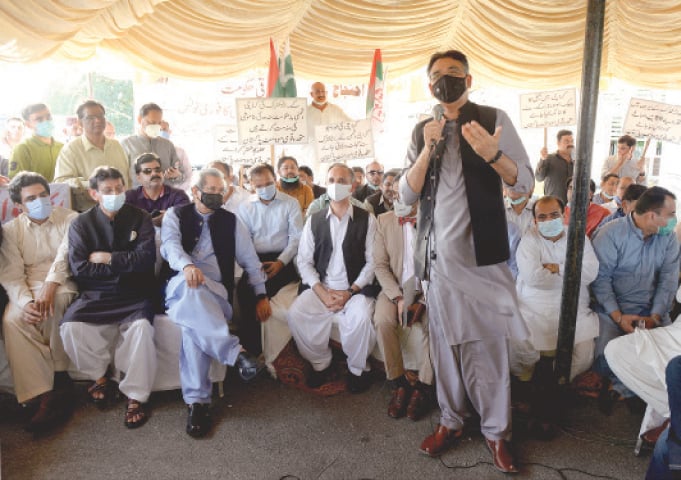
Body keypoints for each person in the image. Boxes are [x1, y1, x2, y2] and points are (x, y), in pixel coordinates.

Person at [401, 50, 533, 473]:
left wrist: (495, 155)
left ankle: (497, 434)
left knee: (489, 349)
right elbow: (405, 196)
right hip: (438, 264)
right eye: (438, 76)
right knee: (445, 349)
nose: (446, 81)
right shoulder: (422, 129)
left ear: (469, 79)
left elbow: (523, 185)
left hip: (483, 261)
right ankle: (451, 422)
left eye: (454, 74)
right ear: (429, 86)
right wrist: (428, 148)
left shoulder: (494, 118)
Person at [161, 168, 269, 438]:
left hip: (217, 292)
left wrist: (261, 294)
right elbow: (170, 247)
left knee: (191, 327)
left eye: (221, 191)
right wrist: (186, 266)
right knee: (191, 291)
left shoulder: (231, 221)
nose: (218, 196)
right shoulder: (175, 215)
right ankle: (236, 354)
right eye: (211, 191)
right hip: (180, 285)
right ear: (195, 191)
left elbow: (250, 261)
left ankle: (197, 404)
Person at [60, 166, 157, 429]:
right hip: (96, 293)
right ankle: (100, 378)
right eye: (107, 191)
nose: (114, 194)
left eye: (118, 189)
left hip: (135, 291)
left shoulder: (141, 217)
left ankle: (136, 395)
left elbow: (146, 260)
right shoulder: (80, 223)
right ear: (94, 194)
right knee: (70, 327)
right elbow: (80, 267)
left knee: (141, 330)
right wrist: (125, 263)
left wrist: (107, 258)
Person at [511, 196, 599, 435]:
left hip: (572, 302)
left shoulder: (579, 237)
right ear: (535, 221)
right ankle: (526, 385)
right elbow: (533, 278)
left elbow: (590, 272)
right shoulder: (529, 240)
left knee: (583, 352)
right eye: (542, 217)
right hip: (533, 302)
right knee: (521, 343)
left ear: (564, 215)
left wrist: (555, 267)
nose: (549, 220)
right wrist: (570, 270)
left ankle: (559, 388)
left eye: (554, 215)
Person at [287, 163, 377, 393]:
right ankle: (321, 363)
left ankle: (358, 370)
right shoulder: (315, 220)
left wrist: (350, 292)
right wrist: (321, 292)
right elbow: (304, 261)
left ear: (353, 185)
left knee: (362, 318)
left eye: (341, 181)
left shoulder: (367, 220)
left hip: (355, 289)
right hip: (322, 288)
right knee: (297, 313)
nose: (335, 185)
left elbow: (372, 262)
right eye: (331, 180)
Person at [591, 186, 680, 414]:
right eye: (671, 214)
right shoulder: (610, 234)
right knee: (606, 353)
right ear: (652, 215)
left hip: (652, 311)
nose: (674, 220)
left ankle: (622, 388)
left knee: (672, 357)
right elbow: (601, 281)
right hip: (612, 311)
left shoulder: (668, 238)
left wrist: (655, 316)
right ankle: (632, 389)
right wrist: (618, 316)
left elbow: (668, 281)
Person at [0, 172, 78, 432]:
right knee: (12, 320)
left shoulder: (70, 218)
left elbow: (66, 256)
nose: (39, 201)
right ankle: (40, 392)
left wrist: (50, 286)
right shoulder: (11, 230)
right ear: (19, 206)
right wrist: (24, 303)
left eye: (43, 195)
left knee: (53, 304)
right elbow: (11, 273)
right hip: (27, 284)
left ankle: (57, 379)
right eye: (31, 198)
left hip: (63, 280)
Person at [374, 176, 433, 420]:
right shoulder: (384, 220)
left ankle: (424, 387)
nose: (401, 199)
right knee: (383, 321)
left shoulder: (434, 222)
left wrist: (424, 300)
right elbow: (379, 265)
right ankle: (398, 381)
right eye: (398, 194)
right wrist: (398, 298)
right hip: (395, 288)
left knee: (436, 325)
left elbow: (442, 266)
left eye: (408, 195)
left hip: (429, 290)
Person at [236, 163, 302, 357]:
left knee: (270, 287)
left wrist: (281, 262)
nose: (265, 189)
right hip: (255, 259)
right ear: (251, 186)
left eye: (269, 183)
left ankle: (272, 350)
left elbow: (296, 238)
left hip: (284, 259)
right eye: (259, 186)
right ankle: (252, 351)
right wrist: (255, 270)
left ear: (276, 180)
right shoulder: (245, 207)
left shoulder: (290, 203)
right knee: (244, 292)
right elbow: (244, 242)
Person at [53, 101, 131, 212]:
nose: (98, 120)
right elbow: (61, 183)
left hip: (121, 212)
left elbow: (127, 179)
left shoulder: (116, 146)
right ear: (80, 123)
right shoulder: (71, 150)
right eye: (90, 118)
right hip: (88, 214)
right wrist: (91, 185)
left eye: (100, 116)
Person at [120, 103, 183, 188]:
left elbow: (180, 175)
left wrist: (176, 175)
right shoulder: (127, 145)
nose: (156, 126)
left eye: (159, 123)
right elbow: (120, 177)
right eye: (152, 122)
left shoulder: (167, 145)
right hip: (136, 198)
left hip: (164, 198)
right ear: (139, 120)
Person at [125, 153, 190, 228]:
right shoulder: (129, 197)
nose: (154, 173)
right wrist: (166, 217)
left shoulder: (178, 196)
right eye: (147, 171)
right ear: (138, 177)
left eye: (157, 170)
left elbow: (186, 219)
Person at [306, 82, 352, 177]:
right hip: (312, 154)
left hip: (333, 153)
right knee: (313, 179)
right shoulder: (305, 112)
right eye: (318, 92)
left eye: (323, 91)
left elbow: (351, 125)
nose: (321, 94)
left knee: (333, 178)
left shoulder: (336, 110)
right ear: (311, 94)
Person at [8, 104, 63, 181]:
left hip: (62, 192)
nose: (46, 121)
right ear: (28, 125)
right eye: (39, 119)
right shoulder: (23, 148)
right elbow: (16, 182)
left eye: (48, 117)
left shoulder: (62, 147)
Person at [535, 129, 574, 203]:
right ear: (558, 143)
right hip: (554, 206)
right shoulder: (549, 158)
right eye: (566, 141)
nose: (570, 144)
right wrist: (542, 159)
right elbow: (539, 178)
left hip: (574, 207)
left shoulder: (578, 161)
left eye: (572, 141)